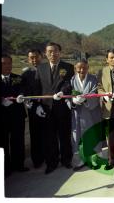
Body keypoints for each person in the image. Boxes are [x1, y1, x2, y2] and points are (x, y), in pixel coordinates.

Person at [34, 42, 74, 174]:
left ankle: (66, 160)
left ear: (60, 52)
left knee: (65, 135)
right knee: (49, 137)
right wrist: (37, 105)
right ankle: (52, 162)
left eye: (55, 51)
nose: (53, 53)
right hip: (46, 108)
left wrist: (63, 91)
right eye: (50, 51)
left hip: (62, 107)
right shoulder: (41, 68)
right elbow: (37, 88)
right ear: (45, 53)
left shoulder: (68, 67)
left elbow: (69, 83)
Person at [70, 59, 103, 171]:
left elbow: (96, 92)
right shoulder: (72, 80)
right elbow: (68, 94)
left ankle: (96, 158)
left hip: (92, 112)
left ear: (88, 68)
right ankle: (81, 160)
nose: (81, 70)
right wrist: (73, 101)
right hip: (78, 113)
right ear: (75, 68)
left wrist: (85, 99)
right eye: (79, 68)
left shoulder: (93, 79)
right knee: (78, 136)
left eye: (84, 67)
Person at [0, 54, 29, 176]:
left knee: (18, 141)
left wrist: (21, 95)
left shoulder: (18, 78)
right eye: (3, 64)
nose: (7, 66)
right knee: (2, 143)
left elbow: (23, 89)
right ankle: (5, 169)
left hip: (17, 115)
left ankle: (19, 165)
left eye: (9, 63)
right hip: (1, 117)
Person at [21, 49, 45, 168]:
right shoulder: (26, 74)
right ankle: (37, 160)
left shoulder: (48, 70)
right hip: (33, 109)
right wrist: (34, 105)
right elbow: (25, 92)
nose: (34, 60)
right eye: (31, 58)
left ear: (41, 57)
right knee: (35, 134)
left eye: (36, 57)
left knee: (49, 133)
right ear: (28, 59)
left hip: (47, 106)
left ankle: (50, 156)